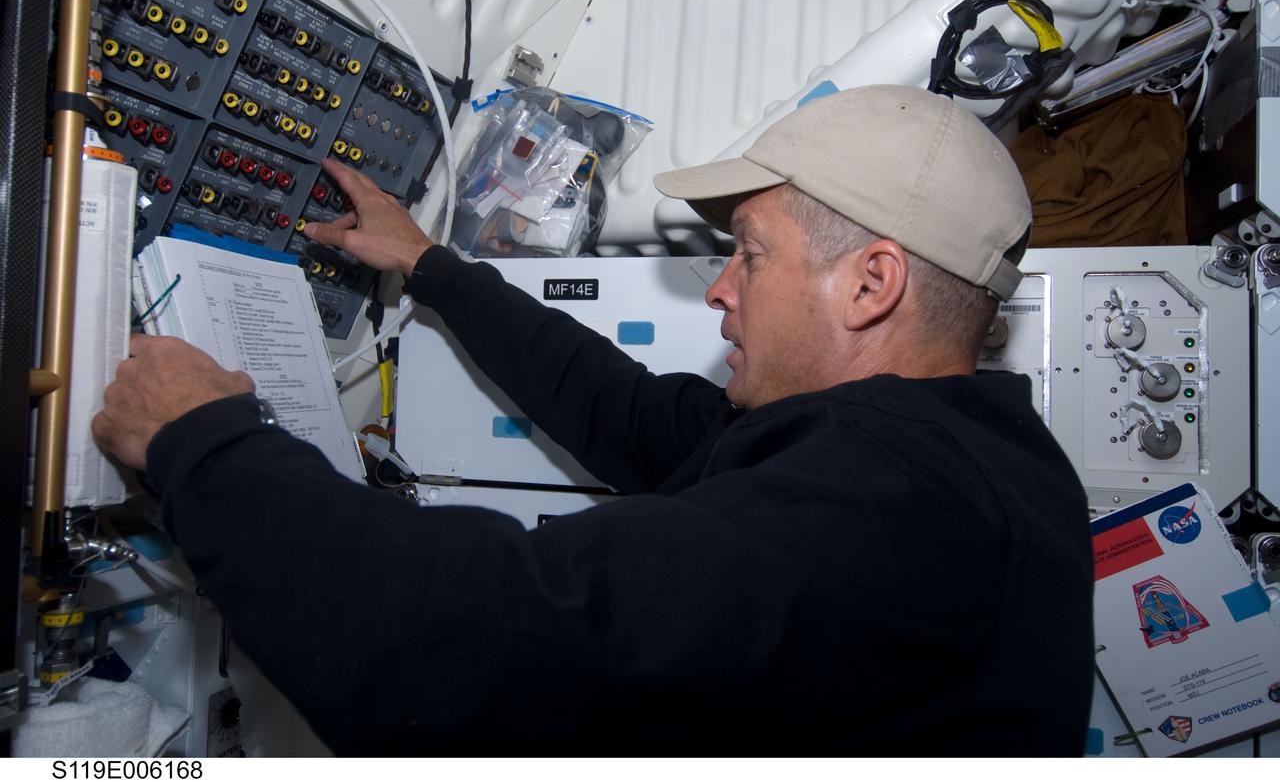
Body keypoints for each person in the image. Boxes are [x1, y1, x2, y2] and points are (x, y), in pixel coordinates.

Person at [92, 85, 1094, 755]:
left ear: (870, 282)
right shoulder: (946, 452)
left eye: (747, 253)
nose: (719, 293)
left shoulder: (897, 508)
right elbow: (619, 408)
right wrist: (432, 265)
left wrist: (202, 440)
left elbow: (483, 636)